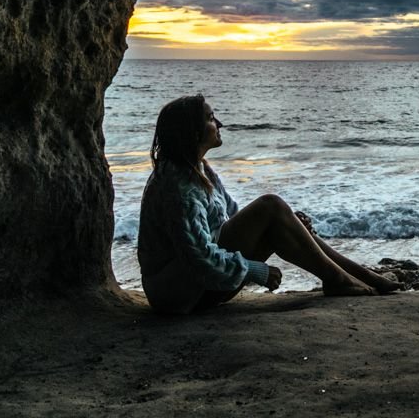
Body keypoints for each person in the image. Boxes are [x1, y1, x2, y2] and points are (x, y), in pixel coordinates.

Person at [136, 94, 401, 314]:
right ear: (191, 132)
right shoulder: (177, 185)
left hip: (197, 286)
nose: (219, 123)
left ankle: (359, 276)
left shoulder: (199, 169)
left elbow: (233, 220)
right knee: (270, 204)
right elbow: (199, 257)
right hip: (177, 297)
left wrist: (291, 223)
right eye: (210, 118)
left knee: (278, 216)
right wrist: (255, 270)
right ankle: (340, 280)